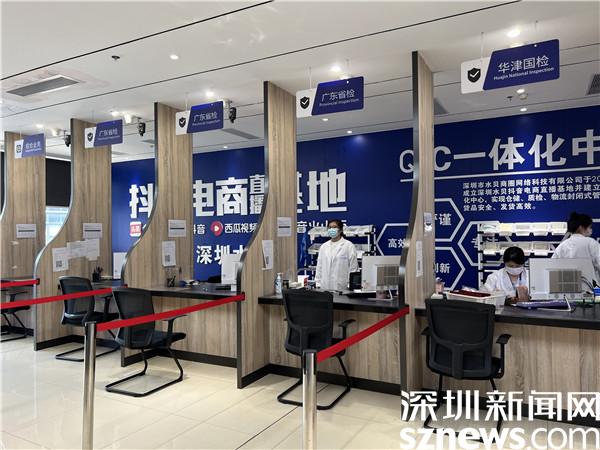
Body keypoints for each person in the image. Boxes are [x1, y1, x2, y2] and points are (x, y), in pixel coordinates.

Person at [553, 212, 600, 281]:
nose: (591, 230)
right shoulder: (591, 243)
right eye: (589, 227)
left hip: (567, 284)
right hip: (590, 284)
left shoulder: (562, 246)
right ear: (581, 228)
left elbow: (552, 267)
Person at [315, 219, 358, 291]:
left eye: (335, 227)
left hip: (342, 287)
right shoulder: (324, 246)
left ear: (341, 230)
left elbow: (353, 268)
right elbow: (319, 266)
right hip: (325, 286)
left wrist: (350, 285)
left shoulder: (348, 246)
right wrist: (318, 283)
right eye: (330, 227)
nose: (332, 229)